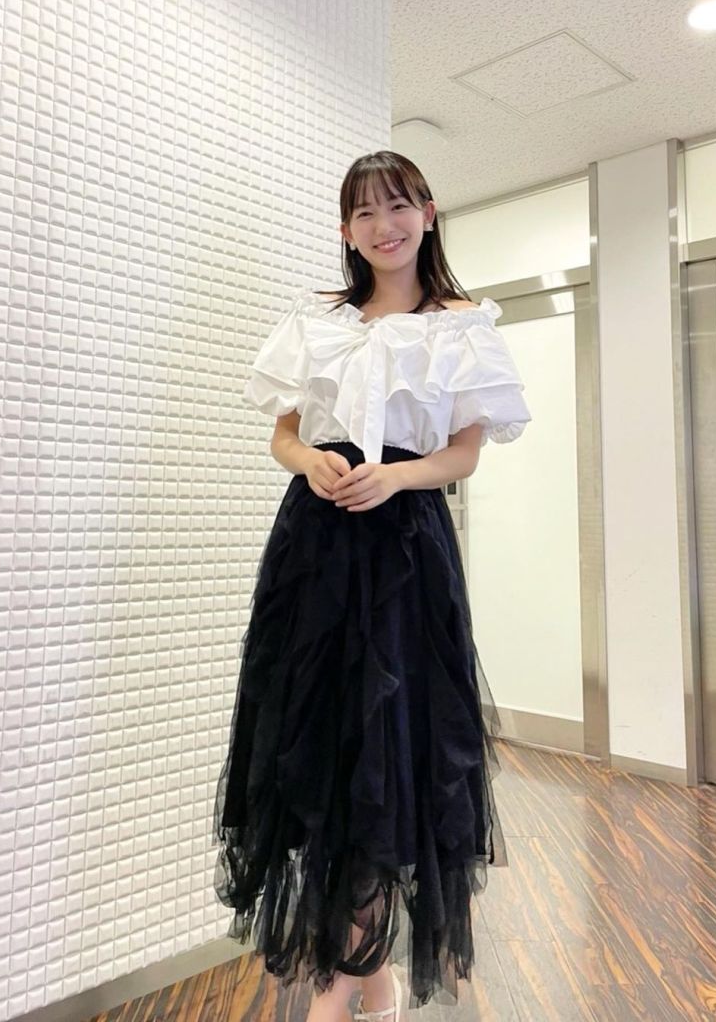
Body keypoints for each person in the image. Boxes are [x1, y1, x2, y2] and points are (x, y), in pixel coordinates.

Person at [212, 150, 531, 1021]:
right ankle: (366, 979)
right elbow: (283, 436)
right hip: (314, 549)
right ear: (346, 231)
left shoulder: (461, 325)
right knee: (318, 752)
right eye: (364, 213)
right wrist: (308, 460)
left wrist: (394, 477)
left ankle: (345, 984)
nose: (382, 226)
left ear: (427, 213)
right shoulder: (320, 320)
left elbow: (463, 456)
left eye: (397, 206)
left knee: (390, 757)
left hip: (403, 551)